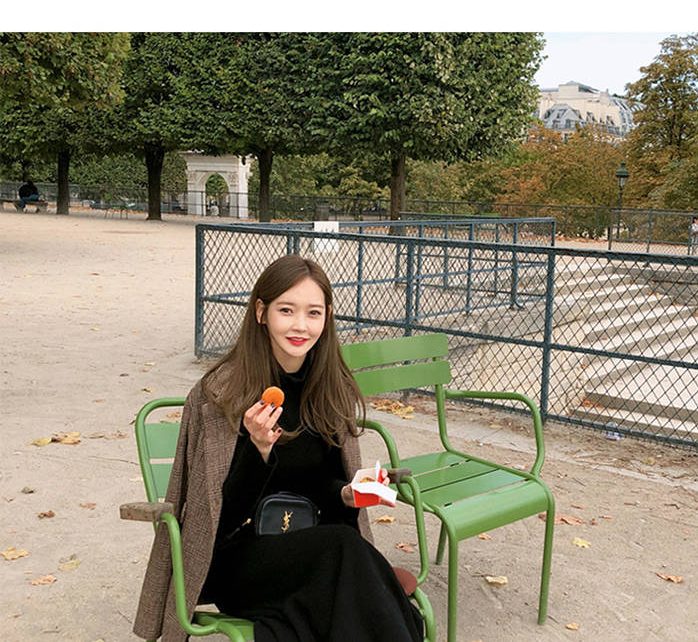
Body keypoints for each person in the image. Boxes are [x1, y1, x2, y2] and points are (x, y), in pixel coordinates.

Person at [133, 255, 424, 642]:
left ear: (327, 317)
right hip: (238, 559)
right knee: (349, 559)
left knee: (346, 567)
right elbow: (218, 516)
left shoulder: (328, 388)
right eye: (286, 310)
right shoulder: (220, 393)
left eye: (313, 313)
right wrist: (258, 451)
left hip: (308, 546)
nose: (301, 325)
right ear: (261, 312)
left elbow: (315, 488)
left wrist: (346, 493)